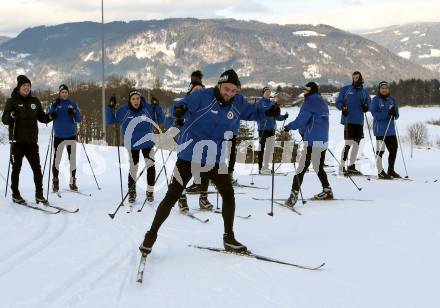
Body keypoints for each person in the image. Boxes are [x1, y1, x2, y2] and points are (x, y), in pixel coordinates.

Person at [139, 69, 280, 255]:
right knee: (172, 196)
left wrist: (268, 111)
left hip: (214, 157)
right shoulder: (202, 97)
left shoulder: (237, 102)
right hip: (189, 155)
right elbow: (178, 107)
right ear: (219, 85)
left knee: (228, 195)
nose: (229, 93)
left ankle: (229, 238)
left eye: (233, 90)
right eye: (226, 89)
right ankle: (150, 237)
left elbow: (253, 112)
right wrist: (179, 111)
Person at [165, 72, 214, 212]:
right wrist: (177, 122)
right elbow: (170, 122)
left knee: (205, 171)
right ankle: (181, 198)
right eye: (195, 90)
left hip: (203, 144)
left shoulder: (207, 107)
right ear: (190, 91)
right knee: (184, 173)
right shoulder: (180, 105)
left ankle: (203, 199)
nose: (198, 92)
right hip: (186, 144)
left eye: (201, 90)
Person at [2, 75, 53, 204]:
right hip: (17, 142)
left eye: (29, 86)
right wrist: (12, 115)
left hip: (31, 142)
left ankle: (39, 194)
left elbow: (42, 117)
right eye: (24, 85)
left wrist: (51, 116)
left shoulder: (35, 101)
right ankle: (15, 194)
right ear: (19, 87)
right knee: (16, 169)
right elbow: (5, 119)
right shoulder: (11, 101)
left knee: (37, 168)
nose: (27, 88)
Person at [107, 89, 164, 203]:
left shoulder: (147, 108)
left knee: (151, 167)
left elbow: (161, 119)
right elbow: (110, 121)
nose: (136, 101)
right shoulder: (123, 111)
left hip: (147, 142)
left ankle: (150, 191)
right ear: (130, 100)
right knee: (133, 168)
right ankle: (132, 192)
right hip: (132, 144)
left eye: (137, 98)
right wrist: (110, 107)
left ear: (140, 98)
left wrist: (157, 106)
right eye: (133, 99)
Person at [283, 82, 333, 207]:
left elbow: (301, 120)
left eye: (306, 90)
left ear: (310, 91)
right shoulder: (322, 102)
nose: (304, 92)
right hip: (323, 140)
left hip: (312, 141)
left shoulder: (309, 102)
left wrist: (289, 127)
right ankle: (327, 191)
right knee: (318, 166)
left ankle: (293, 196)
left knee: (301, 168)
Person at [48, 84, 82, 192]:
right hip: (58, 136)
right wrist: (53, 112)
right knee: (56, 160)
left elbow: (79, 119)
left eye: (66, 92)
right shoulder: (54, 104)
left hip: (71, 135)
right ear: (59, 93)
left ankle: (72, 182)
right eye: (62, 92)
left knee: (72, 160)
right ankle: (55, 182)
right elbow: (49, 116)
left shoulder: (73, 104)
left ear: (68, 93)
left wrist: (74, 113)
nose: (64, 94)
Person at [336, 71, 370, 175]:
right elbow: (338, 102)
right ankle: (341, 167)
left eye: (357, 77)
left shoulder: (364, 92)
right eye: (354, 77)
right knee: (348, 144)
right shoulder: (346, 89)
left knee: (356, 145)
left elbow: (369, 102)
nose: (355, 79)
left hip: (359, 121)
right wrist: (343, 108)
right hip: (348, 120)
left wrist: (366, 106)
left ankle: (351, 166)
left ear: (360, 78)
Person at [370, 81, 401, 179]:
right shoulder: (375, 100)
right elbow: (375, 115)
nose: (384, 90)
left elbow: (396, 115)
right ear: (379, 89)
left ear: (388, 89)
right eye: (382, 88)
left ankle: (390, 170)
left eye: (386, 88)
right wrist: (388, 114)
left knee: (394, 150)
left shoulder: (392, 100)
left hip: (391, 130)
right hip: (380, 130)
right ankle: (380, 171)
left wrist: (394, 113)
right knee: (380, 151)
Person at [256, 87, 288, 174]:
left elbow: (276, 116)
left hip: (271, 129)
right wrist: (266, 113)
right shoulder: (259, 103)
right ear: (263, 93)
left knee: (269, 149)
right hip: (262, 129)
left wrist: (283, 117)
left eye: (269, 92)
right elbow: (258, 115)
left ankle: (266, 166)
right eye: (266, 91)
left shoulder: (272, 103)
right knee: (261, 149)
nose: (268, 93)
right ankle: (260, 168)